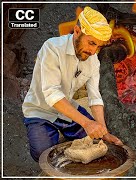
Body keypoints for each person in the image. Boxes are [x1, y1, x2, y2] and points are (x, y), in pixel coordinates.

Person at [22, 6, 123, 162]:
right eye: (91, 43)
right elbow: (52, 94)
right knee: (43, 155)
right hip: (40, 111)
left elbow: (95, 98)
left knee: (95, 142)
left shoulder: (93, 60)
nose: (93, 51)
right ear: (77, 31)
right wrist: (86, 122)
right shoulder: (52, 48)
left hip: (67, 109)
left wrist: (104, 133)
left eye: (98, 46)